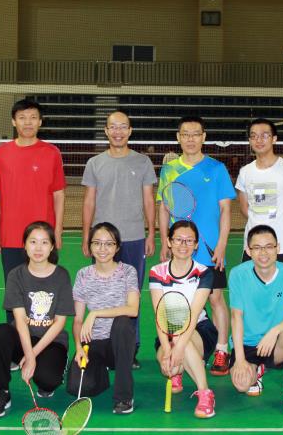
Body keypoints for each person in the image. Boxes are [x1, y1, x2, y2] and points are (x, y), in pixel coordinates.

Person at [157, 116, 235, 376]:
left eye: (195, 134)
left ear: (204, 137)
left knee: (215, 298)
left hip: (209, 248)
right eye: (185, 134)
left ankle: (222, 349)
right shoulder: (169, 170)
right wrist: (164, 241)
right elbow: (164, 208)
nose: (190, 139)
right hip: (180, 248)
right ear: (178, 137)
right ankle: (186, 348)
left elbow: (225, 210)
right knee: (180, 302)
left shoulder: (217, 169)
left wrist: (222, 244)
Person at [81, 110, 156, 368]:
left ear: (130, 130)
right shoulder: (94, 163)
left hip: (134, 238)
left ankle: (129, 348)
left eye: (123, 126)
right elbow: (89, 202)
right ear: (106, 131)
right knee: (101, 293)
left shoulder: (143, 162)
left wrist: (151, 233)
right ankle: (100, 345)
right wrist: (86, 236)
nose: (118, 132)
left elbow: (149, 200)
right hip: (102, 241)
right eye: (113, 127)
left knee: (131, 295)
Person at [0, 222, 74, 417]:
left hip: (51, 341)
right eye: (33, 242)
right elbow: (20, 320)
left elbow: (59, 323)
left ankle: (57, 365)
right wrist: (29, 356)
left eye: (44, 242)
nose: (38, 248)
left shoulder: (62, 276)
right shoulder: (16, 275)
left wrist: (32, 356)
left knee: (48, 382)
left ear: (52, 246)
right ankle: (2, 391)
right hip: (23, 336)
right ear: (24, 245)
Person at [0, 99, 66, 322]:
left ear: (40, 122)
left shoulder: (52, 152)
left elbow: (59, 194)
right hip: (11, 236)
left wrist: (57, 231)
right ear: (14, 122)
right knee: (14, 292)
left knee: (44, 292)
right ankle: (15, 338)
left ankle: (42, 338)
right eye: (22, 118)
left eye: (33, 117)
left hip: (43, 237)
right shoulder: (1, 153)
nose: (28, 122)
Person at [229, 224, 283, 414]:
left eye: (269, 246)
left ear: (278, 248)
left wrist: (274, 331)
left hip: (275, 344)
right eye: (257, 247)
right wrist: (240, 359)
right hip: (247, 343)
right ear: (248, 251)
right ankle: (257, 370)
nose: (263, 253)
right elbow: (236, 317)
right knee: (242, 385)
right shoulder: (238, 274)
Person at [68, 222, 140, 414]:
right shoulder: (83, 275)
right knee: (77, 387)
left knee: (122, 323)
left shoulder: (128, 271)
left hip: (120, 343)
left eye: (109, 244)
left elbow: (133, 309)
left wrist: (95, 313)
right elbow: (78, 320)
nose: (102, 249)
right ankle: (101, 373)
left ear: (117, 247)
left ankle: (124, 397)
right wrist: (78, 347)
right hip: (94, 341)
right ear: (90, 246)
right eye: (97, 243)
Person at [149, 220, 217, 418]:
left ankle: (205, 393)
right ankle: (178, 371)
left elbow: (193, 315)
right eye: (178, 239)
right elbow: (160, 315)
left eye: (189, 241)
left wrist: (177, 347)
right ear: (169, 242)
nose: (183, 245)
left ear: (196, 245)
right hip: (168, 331)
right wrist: (167, 349)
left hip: (200, 330)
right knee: (169, 367)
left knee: (180, 342)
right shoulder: (157, 272)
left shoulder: (204, 273)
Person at [236, 118, 283, 266]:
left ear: (274, 139)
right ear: (249, 140)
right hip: (252, 247)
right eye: (254, 136)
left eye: (264, 135)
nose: (259, 140)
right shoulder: (245, 172)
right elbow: (244, 208)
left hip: (281, 247)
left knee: (282, 282)